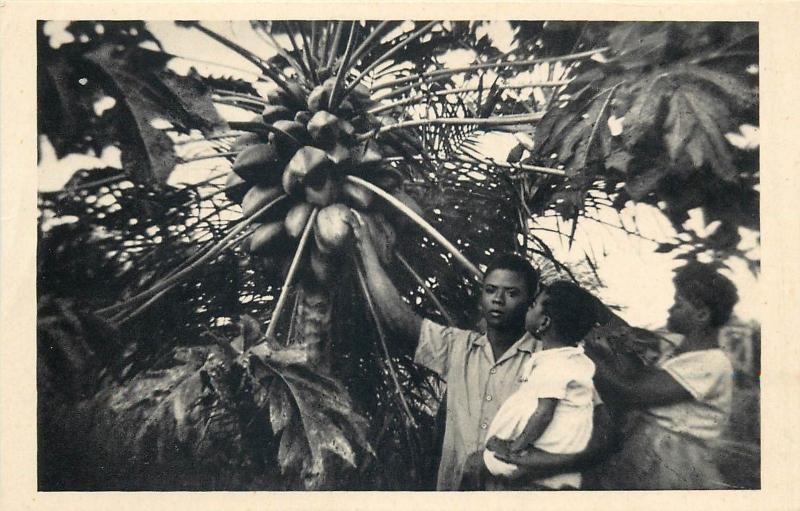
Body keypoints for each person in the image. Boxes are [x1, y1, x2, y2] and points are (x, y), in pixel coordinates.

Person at [346, 211, 610, 490]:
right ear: (481, 296)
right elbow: (398, 319)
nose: (498, 299)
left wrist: (528, 464)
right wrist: (365, 249)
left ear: (531, 302)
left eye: (511, 293)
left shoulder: (553, 358)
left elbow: (603, 437)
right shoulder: (458, 347)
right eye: (491, 290)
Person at [585, 261, 737, 489]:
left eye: (678, 304)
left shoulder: (712, 363)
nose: (670, 309)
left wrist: (585, 352)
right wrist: (593, 306)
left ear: (702, 314)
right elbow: (627, 335)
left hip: (675, 458)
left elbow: (631, 392)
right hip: (649, 445)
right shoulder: (675, 347)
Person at [482, 281, 598, 490]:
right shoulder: (575, 359)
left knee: (488, 461)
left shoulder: (553, 364)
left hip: (546, 457)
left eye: (533, 304)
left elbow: (544, 413)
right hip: (567, 456)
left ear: (544, 323)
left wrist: (515, 449)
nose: (528, 307)